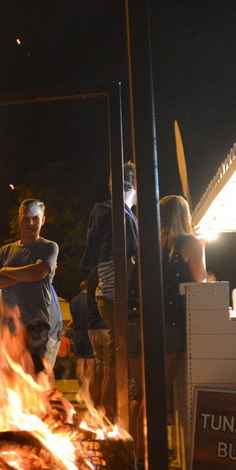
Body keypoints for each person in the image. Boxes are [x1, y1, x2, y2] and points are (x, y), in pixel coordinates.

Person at [79, 161, 141, 429]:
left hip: (106, 294)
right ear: (136, 186)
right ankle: (107, 425)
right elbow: (127, 262)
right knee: (118, 367)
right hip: (119, 298)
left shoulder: (105, 213)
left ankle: (105, 422)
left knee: (114, 366)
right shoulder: (121, 216)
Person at [0, 198, 64, 375]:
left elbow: (39, 272)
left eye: (35, 219)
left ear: (43, 220)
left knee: (32, 377)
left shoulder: (49, 247)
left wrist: (6, 271)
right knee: (6, 378)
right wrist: (25, 275)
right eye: (26, 218)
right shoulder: (6, 250)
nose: (30, 223)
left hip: (35, 324)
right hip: (7, 325)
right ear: (19, 219)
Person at [159, 195, 206, 397]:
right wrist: (200, 246)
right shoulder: (189, 242)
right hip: (172, 318)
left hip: (144, 316)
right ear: (184, 215)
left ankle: (134, 429)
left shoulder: (149, 241)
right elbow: (199, 279)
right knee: (162, 387)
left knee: (143, 389)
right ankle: (150, 429)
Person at [70, 280, 108, 409]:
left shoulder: (74, 300)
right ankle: (89, 391)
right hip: (88, 332)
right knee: (91, 364)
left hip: (77, 333)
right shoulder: (90, 300)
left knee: (80, 362)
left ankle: (82, 388)